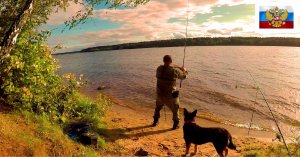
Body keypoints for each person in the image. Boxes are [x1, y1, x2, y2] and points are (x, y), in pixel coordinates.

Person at [152, 55, 188, 130]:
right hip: (170, 96)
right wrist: (184, 70)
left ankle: (155, 122)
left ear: (163, 61)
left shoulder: (159, 68)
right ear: (171, 61)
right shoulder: (174, 71)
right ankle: (176, 124)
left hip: (159, 94)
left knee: (157, 108)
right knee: (176, 109)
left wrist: (177, 67)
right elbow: (183, 77)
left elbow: (167, 68)